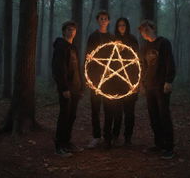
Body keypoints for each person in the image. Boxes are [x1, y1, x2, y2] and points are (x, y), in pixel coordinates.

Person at [138, 20, 176, 159]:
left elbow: (169, 62)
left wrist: (168, 81)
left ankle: (169, 147)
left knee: (164, 115)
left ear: (153, 28)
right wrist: (142, 84)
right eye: (142, 30)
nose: (145, 32)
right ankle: (159, 144)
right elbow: (143, 67)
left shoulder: (163, 43)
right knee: (153, 116)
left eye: (147, 29)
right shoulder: (144, 47)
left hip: (161, 85)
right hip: (149, 86)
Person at [52, 21, 84, 156]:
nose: (71, 32)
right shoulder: (60, 47)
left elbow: (77, 68)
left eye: (73, 30)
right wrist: (64, 88)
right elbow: (59, 69)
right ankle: (59, 146)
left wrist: (81, 86)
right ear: (64, 31)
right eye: (69, 29)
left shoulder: (73, 48)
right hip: (67, 89)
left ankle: (67, 142)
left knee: (72, 116)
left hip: (75, 88)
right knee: (64, 116)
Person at [85, 10, 114, 149]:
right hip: (95, 78)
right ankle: (96, 136)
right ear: (98, 20)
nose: (103, 20)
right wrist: (89, 78)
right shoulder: (93, 36)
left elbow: (116, 58)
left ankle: (107, 137)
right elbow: (88, 57)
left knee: (109, 108)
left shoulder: (112, 37)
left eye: (105, 18)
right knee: (95, 109)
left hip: (109, 78)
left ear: (108, 21)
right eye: (101, 18)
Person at [114, 17, 139, 146]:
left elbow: (136, 59)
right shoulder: (113, 41)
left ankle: (128, 138)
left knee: (129, 113)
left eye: (124, 25)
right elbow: (109, 60)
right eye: (119, 25)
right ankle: (115, 136)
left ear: (127, 26)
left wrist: (136, 84)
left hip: (131, 82)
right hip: (117, 82)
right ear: (117, 27)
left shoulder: (133, 40)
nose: (122, 27)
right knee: (117, 112)